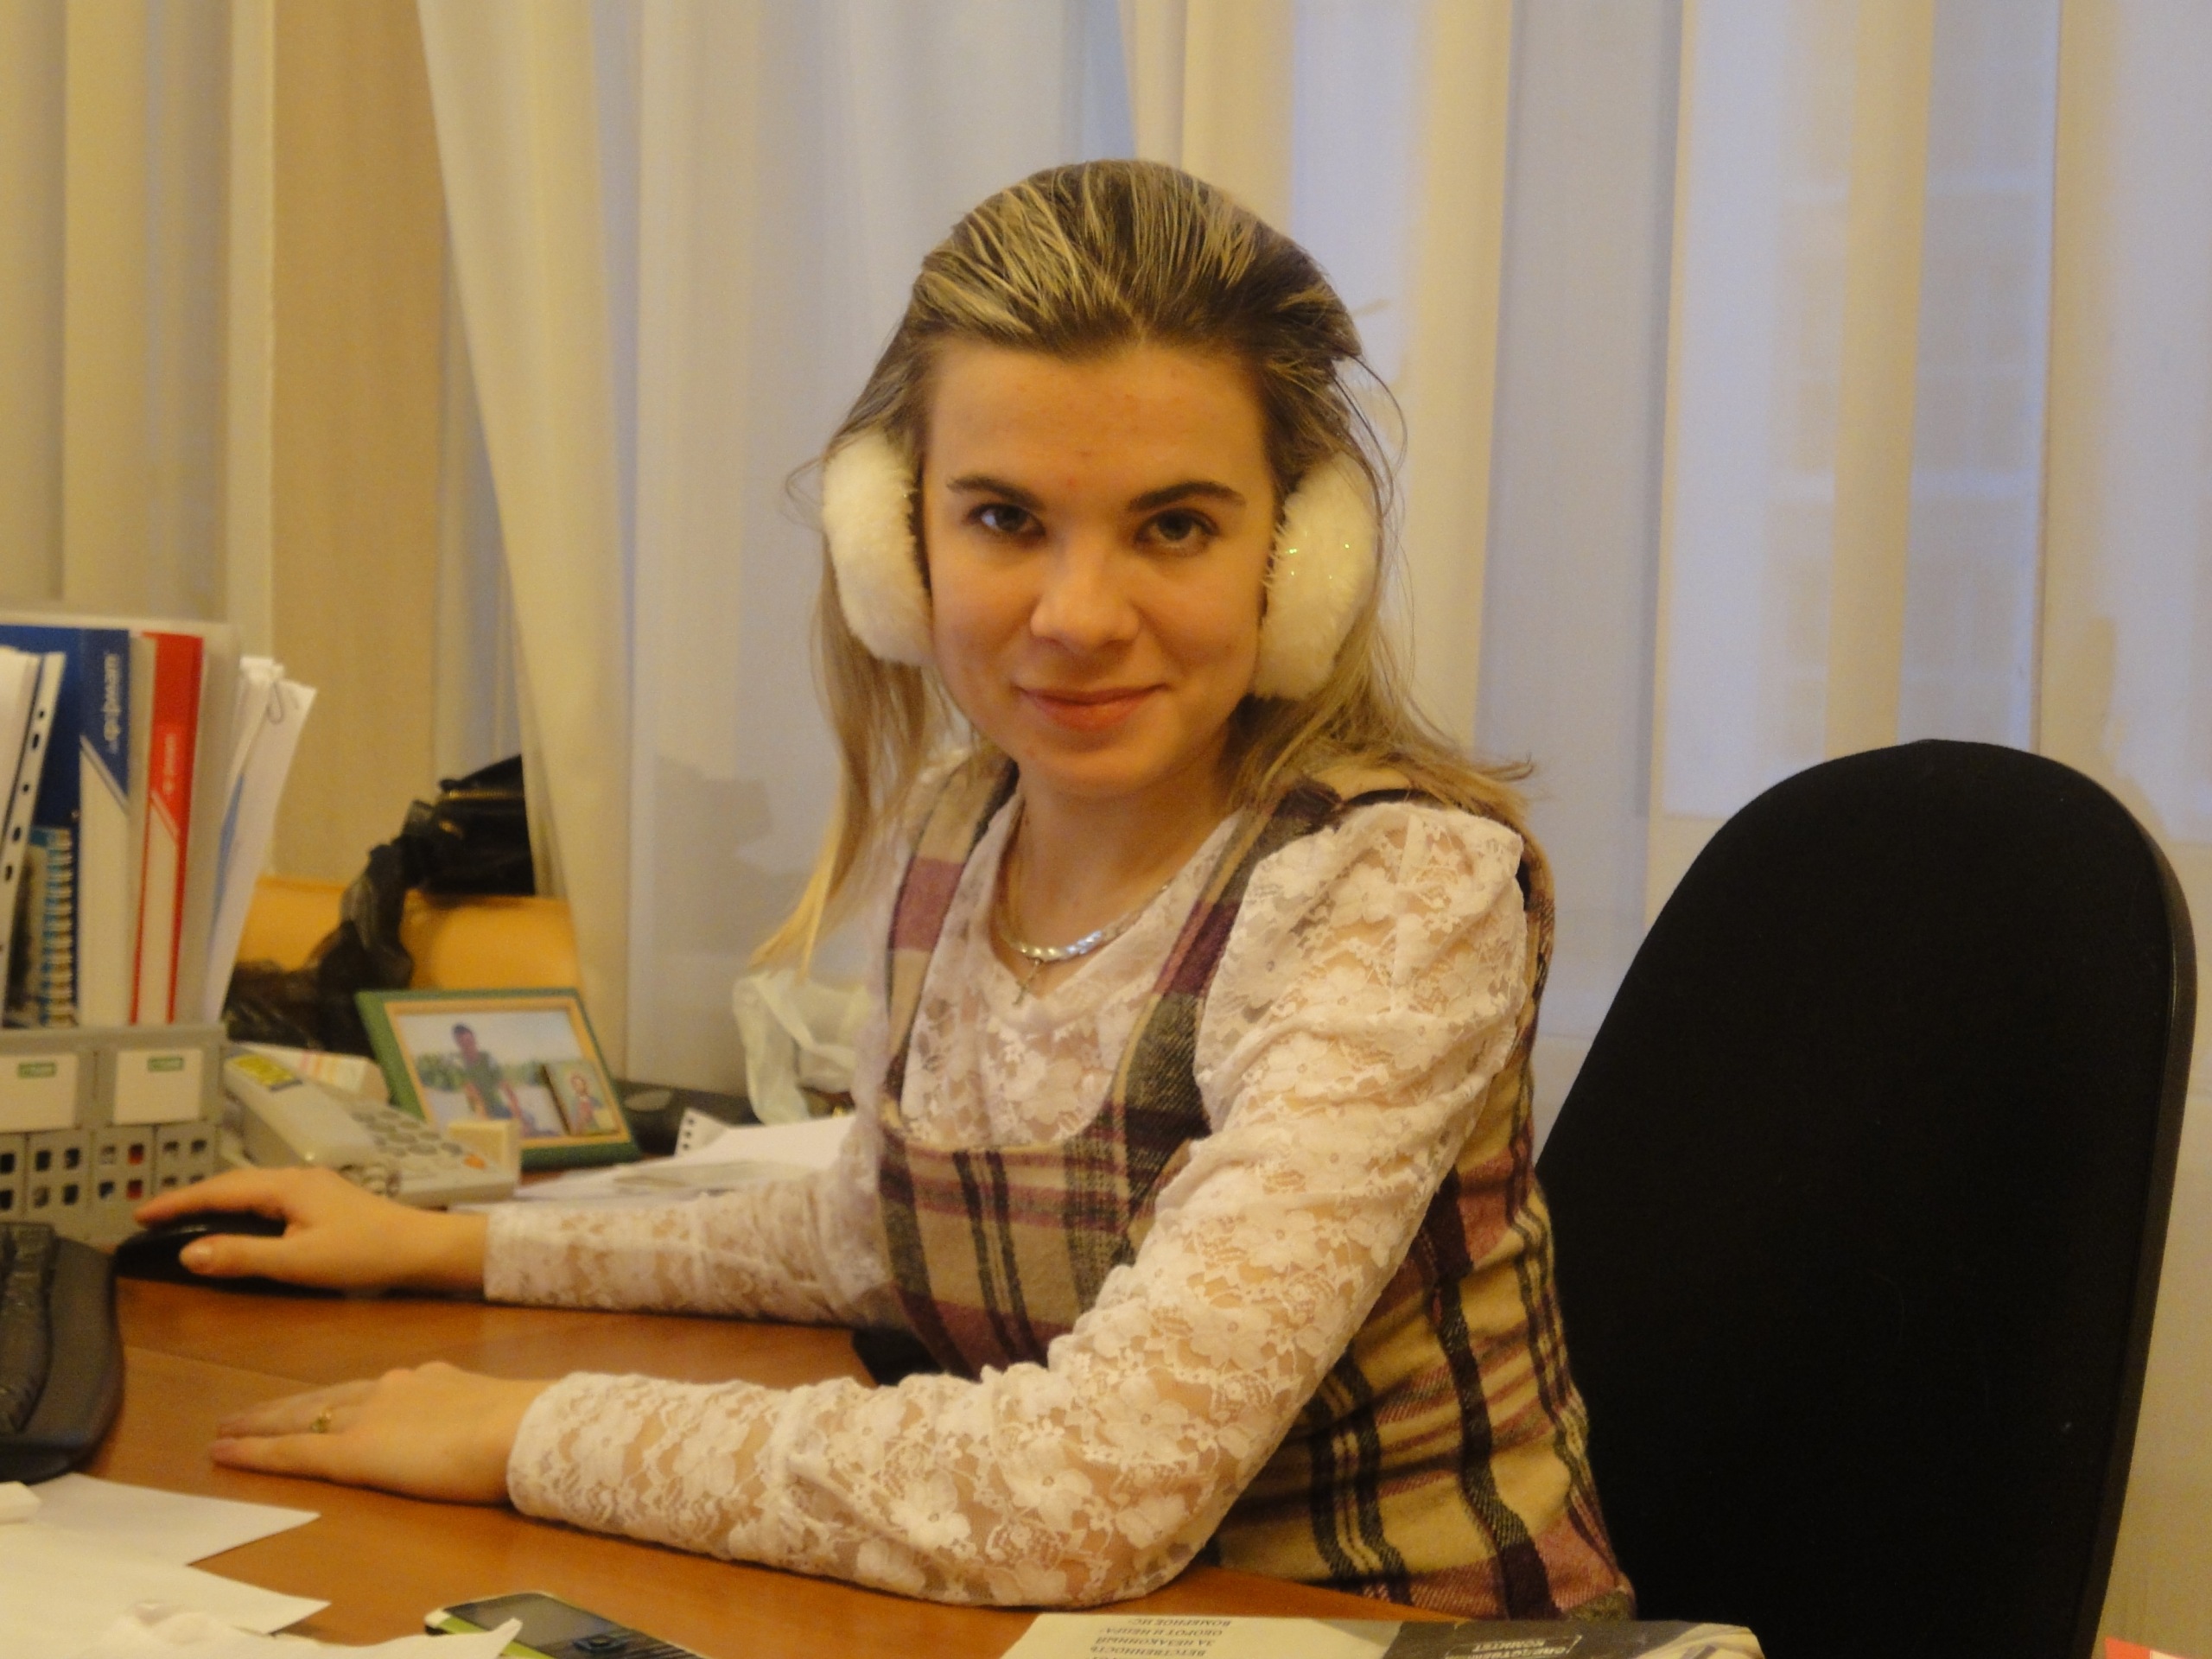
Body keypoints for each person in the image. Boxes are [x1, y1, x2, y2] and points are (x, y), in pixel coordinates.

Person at [137, 161, 1630, 1619]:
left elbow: (1083, 1494)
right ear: (893, 545)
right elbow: (871, 1242)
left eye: (1173, 525)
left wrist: (528, 1432)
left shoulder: (1399, 887)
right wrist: (444, 1242)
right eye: (1006, 520)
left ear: (1303, 559)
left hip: (1399, 1630)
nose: (1077, 615)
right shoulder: (960, 827)